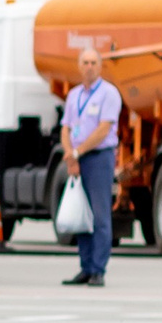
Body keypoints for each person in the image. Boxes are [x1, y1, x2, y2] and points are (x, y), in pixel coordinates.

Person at [60, 46, 122, 287]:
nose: (89, 67)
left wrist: (78, 151)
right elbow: (66, 127)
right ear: (79, 66)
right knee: (82, 214)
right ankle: (85, 266)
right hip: (77, 158)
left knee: (99, 215)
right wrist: (69, 154)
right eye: (85, 62)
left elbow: (103, 129)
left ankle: (98, 268)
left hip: (98, 157)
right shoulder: (74, 95)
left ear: (100, 66)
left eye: (93, 63)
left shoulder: (109, 94)